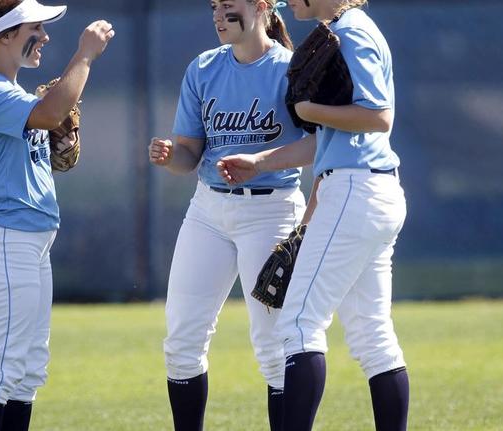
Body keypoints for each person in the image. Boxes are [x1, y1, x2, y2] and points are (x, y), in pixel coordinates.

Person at [217, 0, 410, 430]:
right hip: (370, 188)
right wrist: (262, 160)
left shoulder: (352, 32)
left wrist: (308, 110)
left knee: (299, 323)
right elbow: (328, 139)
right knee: (372, 337)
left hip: (354, 190)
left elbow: (378, 117)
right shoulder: (349, 26)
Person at [0, 1, 114, 429]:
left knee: (26, 371)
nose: (45, 35)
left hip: (29, 243)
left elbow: (47, 118)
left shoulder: (11, 91)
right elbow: (51, 113)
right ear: (2, 37)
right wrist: (85, 55)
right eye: (35, 28)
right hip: (4, 240)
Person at [148, 1, 317, 429]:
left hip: (272, 209)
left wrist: (259, 162)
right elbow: (188, 155)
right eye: (214, 6)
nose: (219, 13)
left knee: (274, 346)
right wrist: (172, 157)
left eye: (229, 4)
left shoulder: (291, 67)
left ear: (262, 6)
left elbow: (319, 144)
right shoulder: (203, 68)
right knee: (182, 341)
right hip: (208, 209)